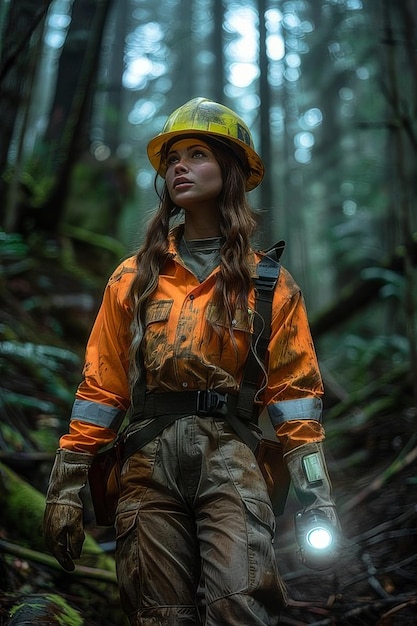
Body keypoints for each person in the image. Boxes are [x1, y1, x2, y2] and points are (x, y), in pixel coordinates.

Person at [43, 97, 339, 625]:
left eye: (197, 153)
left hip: (233, 460)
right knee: (159, 615)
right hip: (146, 462)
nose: (179, 165)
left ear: (230, 171)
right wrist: (66, 484)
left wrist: (317, 497)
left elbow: (296, 401)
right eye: (173, 156)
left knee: (239, 608)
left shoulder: (267, 285)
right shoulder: (133, 278)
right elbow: (101, 389)